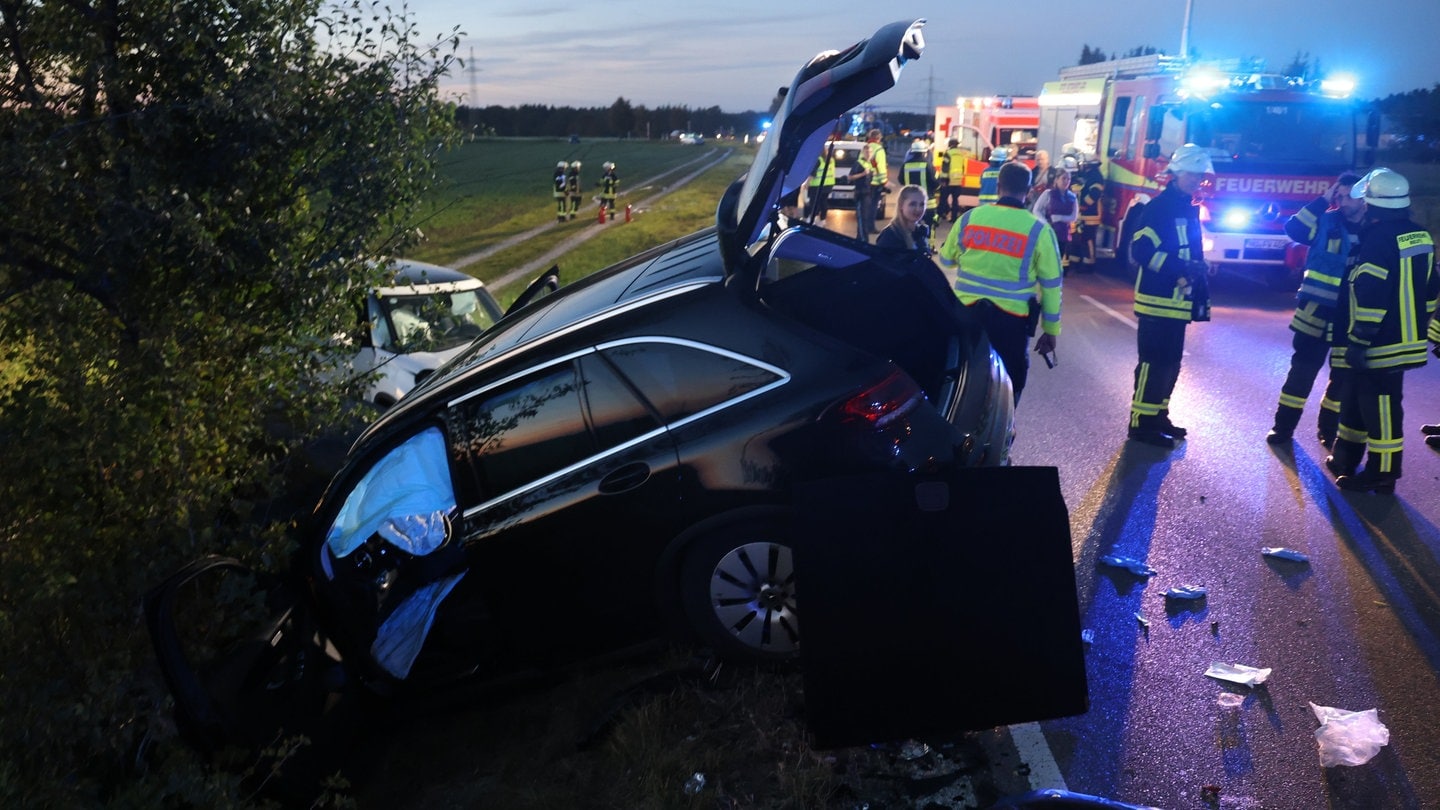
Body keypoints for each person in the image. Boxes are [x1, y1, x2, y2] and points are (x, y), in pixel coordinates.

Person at [1326, 168, 1438, 493]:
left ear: (1374, 204)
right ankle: (1344, 457)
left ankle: (1383, 473)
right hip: (1404, 339)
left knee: (1383, 409)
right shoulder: (1421, 236)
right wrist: (1418, 328)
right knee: (1358, 401)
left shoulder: (1376, 240)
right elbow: (1431, 288)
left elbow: (1371, 297)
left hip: (1377, 341)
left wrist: (1359, 340)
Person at [937, 161, 1062, 406]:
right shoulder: (1039, 230)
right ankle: (1003, 431)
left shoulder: (970, 218)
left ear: (998, 186)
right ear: (1028, 190)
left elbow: (946, 259)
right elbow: (1051, 285)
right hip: (1011, 323)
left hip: (966, 316)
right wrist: (1051, 331)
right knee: (1009, 383)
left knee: (959, 378)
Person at [1265, 172, 1365, 447]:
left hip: (1350, 317)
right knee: (1301, 373)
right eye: (1339, 196)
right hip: (1315, 312)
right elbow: (1294, 229)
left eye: (1348, 196)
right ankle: (1282, 429)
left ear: (1364, 199)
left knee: (1341, 379)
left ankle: (1328, 430)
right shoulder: (1325, 221)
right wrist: (1323, 199)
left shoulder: (1374, 231)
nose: (1342, 201)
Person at [1126, 143, 1215, 449]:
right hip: (1156, 300)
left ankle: (1158, 415)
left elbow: (1187, 249)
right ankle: (1141, 424)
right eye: (1191, 173)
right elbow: (1141, 251)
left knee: (1171, 363)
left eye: (1199, 175)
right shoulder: (1159, 207)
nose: (1196, 179)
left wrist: (1198, 268)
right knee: (1153, 362)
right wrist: (1181, 266)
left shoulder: (1187, 208)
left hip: (1178, 302)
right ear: (1176, 173)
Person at [1030, 167, 1077, 273]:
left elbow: (1074, 216)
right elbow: (1036, 210)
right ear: (1056, 179)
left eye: (1068, 179)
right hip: (1048, 232)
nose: (1066, 181)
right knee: (1044, 260)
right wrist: (1046, 224)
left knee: (1056, 262)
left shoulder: (1072, 197)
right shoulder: (1048, 194)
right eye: (1063, 178)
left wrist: (1059, 218)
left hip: (1063, 235)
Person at [852, 128, 887, 243]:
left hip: (865, 182)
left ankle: (863, 230)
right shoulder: (879, 149)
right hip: (876, 182)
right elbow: (881, 167)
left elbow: (861, 163)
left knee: (864, 208)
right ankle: (870, 228)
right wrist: (884, 181)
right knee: (873, 206)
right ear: (879, 138)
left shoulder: (865, 148)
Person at [876, 184, 931, 255]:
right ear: (901, 205)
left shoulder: (920, 231)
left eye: (922, 204)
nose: (918, 209)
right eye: (912, 204)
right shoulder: (890, 235)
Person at [1072, 155, 1105, 271]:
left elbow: (1095, 193)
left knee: (1088, 238)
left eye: (1085, 163)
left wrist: (1084, 205)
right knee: (1078, 238)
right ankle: (1075, 261)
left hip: (1092, 214)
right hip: (1084, 213)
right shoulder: (1088, 176)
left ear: (1090, 165)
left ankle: (1089, 264)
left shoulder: (1096, 177)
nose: (1083, 165)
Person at [900, 145, 938, 230]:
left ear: (912, 152)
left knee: (911, 227)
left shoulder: (905, 165)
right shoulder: (928, 165)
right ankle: (929, 243)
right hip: (928, 203)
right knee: (930, 226)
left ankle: (911, 242)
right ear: (924, 153)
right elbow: (935, 182)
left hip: (910, 203)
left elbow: (901, 180)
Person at [806, 146, 837, 221]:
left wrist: (807, 184)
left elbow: (813, 173)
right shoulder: (831, 160)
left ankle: (813, 219)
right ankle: (823, 219)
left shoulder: (818, 160)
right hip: (828, 185)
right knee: (823, 201)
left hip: (817, 185)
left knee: (814, 203)